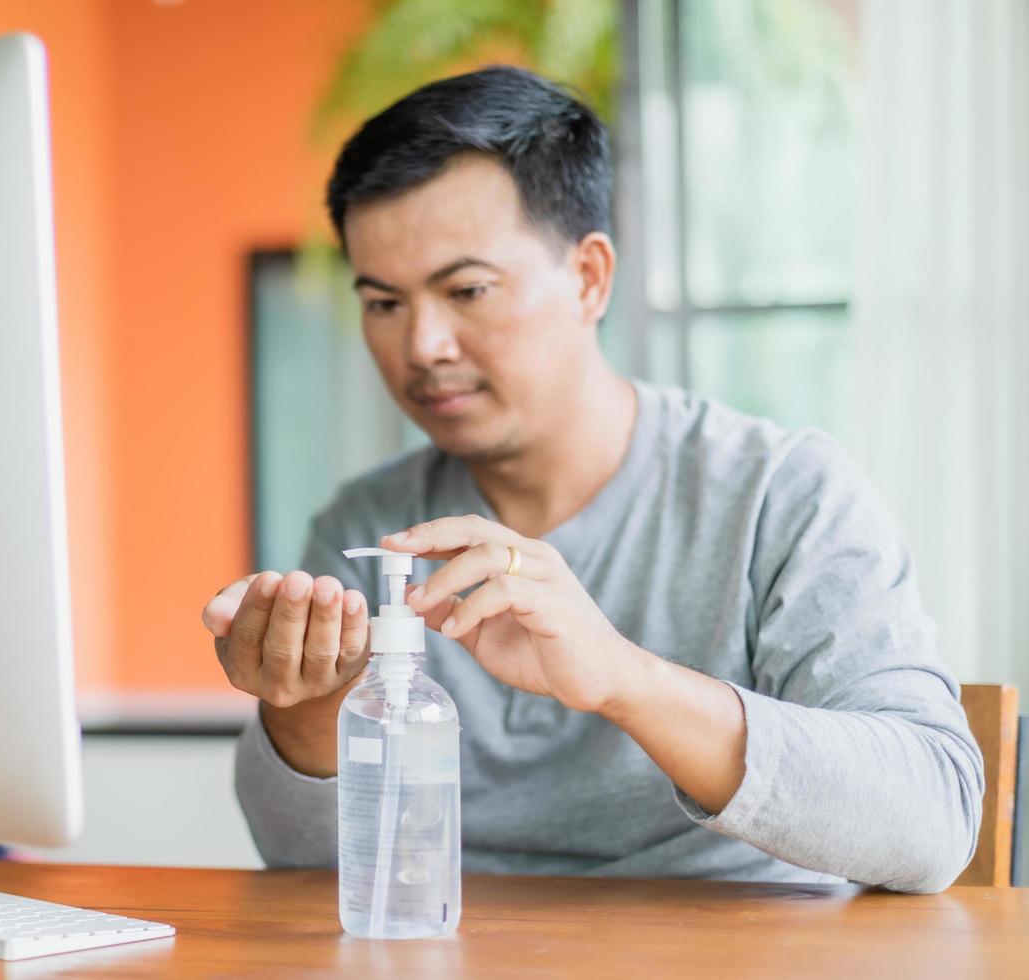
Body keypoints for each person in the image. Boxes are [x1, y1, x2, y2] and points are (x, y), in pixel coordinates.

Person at [200, 66, 983, 893]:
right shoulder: (373, 520)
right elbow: (301, 866)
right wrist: (305, 708)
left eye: (466, 289)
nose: (422, 344)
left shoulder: (782, 495)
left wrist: (623, 678)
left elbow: (933, 821)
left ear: (589, 278)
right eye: (383, 303)